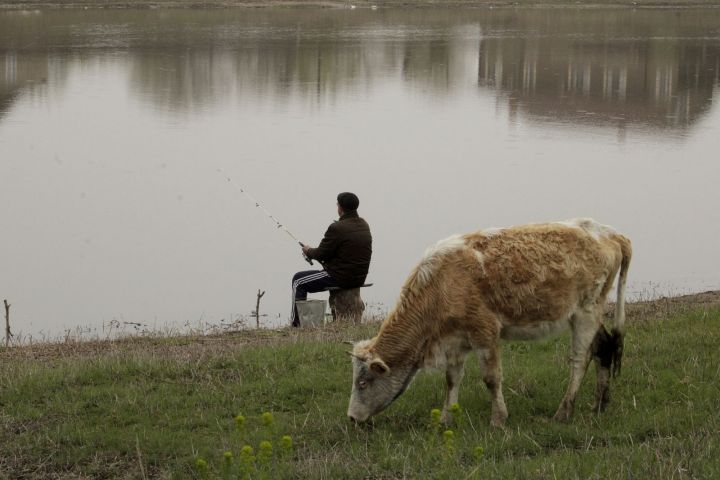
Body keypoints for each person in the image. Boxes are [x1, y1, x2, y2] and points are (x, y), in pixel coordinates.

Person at [291, 192, 372, 327]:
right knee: (302, 279)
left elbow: (321, 254)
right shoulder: (364, 224)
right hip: (358, 277)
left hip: (340, 277)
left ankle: (296, 325)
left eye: (337, 205)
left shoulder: (337, 228)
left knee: (298, 280)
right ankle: (300, 323)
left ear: (340, 208)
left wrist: (308, 251)